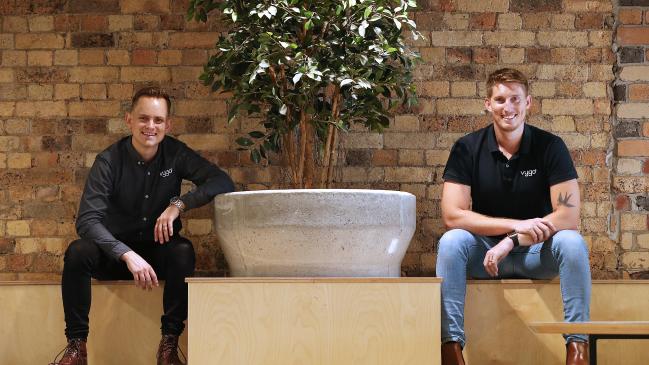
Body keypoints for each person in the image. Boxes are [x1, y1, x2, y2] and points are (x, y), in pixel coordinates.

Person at [51, 87, 235, 365]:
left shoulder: (176, 154)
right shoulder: (108, 161)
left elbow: (222, 181)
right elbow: (87, 220)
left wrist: (179, 205)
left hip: (158, 255)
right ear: (129, 120)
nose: (151, 126)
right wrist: (126, 253)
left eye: (158, 120)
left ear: (167, 125)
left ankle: (169, 346)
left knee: (183, 250)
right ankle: (77, 348)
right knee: (78, 252)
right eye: (143, 118)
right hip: (116, 258)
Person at [436, 68, 591, 365]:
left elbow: (568, 216)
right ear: (488, 104)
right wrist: (514, 226)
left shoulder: (551, 147)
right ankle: (451, 349)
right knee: (452, 241)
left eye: (516, 99)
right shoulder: (467, 148)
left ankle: (578, 349)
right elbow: (453, 215)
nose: (508, 108)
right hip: (486, 257)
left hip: (536, 254)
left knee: (571, 242)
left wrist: (511, 240)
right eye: (500, 99)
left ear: (528, 102)